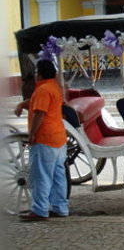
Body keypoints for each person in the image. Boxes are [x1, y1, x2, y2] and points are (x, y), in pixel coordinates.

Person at [14, 59, 68, 221]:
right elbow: (37, 104)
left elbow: (40, 113)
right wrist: (22, 104)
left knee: (41, 177)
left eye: (37, 72)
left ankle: (39, 210)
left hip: (45, 139)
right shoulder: (54, 87)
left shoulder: (43, 90)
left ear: (40, 74)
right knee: (58, 176)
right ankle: (60, 208)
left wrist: (31, 135)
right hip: (59, 138)